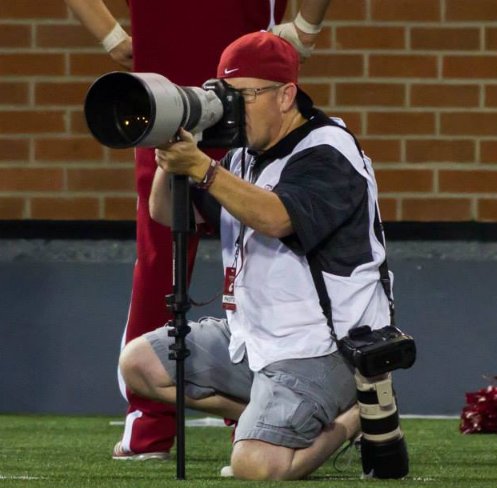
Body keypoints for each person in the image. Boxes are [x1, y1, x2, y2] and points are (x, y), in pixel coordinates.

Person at [64, 0, 332, 461]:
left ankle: (241, 407)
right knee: (177, 251)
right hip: (189, 79)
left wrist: (111, 37)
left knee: (259, 245)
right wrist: (307, 25)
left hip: (240, 77)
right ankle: (159, 415)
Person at [118, 31, 393, 480]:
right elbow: (164, 212)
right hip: (253, 339)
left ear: (286, 96)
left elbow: (277, 218)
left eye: (245, 95)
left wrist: (203, 168)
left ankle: (355, 415)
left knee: (255, 467)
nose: (232, 107)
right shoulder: (245, 154)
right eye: (226, 95)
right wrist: (171, 149)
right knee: (140, 365)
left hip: (324, 346)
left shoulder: (328, 151)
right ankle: (267, 417)